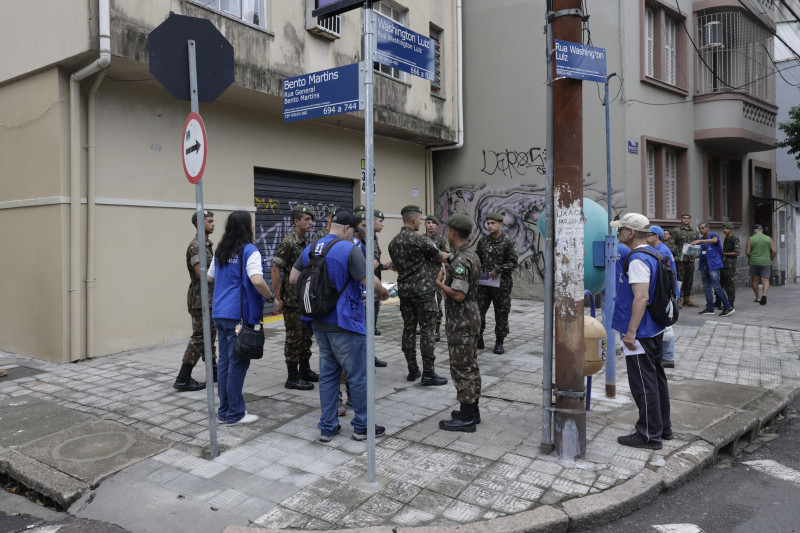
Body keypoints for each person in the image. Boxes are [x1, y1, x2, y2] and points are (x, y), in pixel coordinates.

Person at [290, 210, 390, 442]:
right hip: (345, 323)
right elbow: (370, 281)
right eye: (354, 231)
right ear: (346, 228)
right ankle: (362, 426)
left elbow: (293, 278)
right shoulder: (349, 249)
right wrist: (384, 293)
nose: (353, 236)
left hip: (318, 322)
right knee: (357, 375)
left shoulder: (311, 248)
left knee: (328, 376)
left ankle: (327, 426)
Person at [611, 213, 672, 450]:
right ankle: (663, 428)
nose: (618, 234)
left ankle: (648, 434)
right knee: (657, 380)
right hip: (654, 328)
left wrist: (631, 332)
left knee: (643, 384)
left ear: (631, 232)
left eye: (621, 230)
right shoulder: (655, 252)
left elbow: (642, 296)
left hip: (641, 332)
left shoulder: (637, 258)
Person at [207, 211, 274, 425]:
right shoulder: (249, 251)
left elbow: (209, 277)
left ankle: (224, 411)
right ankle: (235, 413)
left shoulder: (221, 250)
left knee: (226, 362)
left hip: (220, 313)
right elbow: (257, 280)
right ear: (248, 227)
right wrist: (271, 296)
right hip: (239, 316)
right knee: (237, 363)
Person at [388, 205, 450, 385]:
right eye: (421, 220)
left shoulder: (393, 242)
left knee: (408, 329)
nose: (422, 223)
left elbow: (396, 266)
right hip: (424, 293)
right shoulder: (419, 239)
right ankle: (429, 373)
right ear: (414, 219)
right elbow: (441, 256)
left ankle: (412, 369)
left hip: (405, 292)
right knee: (427, 331)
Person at [435, 214, 482, 432]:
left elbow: (458, 294)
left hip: (461, 321)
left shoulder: (461, 260)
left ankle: (466, 418)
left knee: (462, 368)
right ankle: (472, 411)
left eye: (448, 230)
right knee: (470, 365)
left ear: (453, 232)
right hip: (468, 318)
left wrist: (440, 284)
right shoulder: (469, 254)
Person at [272, 205, 318, 391]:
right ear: (296, 221)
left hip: (305, 298)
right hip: (291, 300)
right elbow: (276, 269)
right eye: (306, 219)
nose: (310, 223)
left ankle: (305, 370)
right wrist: (277, 297)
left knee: (306, 335)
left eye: (311, 219)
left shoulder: (306, 242)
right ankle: (292, 376)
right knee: (294, 338)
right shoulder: (289, 243)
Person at [174, 210, 218, 392]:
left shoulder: (206, 244)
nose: (213, 224)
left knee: (210, 335)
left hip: (208, 299)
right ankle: (183, 378)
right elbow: (201, 274)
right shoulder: (196, 245)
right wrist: (221, 277)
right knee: (200, 338)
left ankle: (214, 372)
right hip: (200, 300)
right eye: (210, 221)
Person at [475, 213, 519, 354]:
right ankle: (479, 338)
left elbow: (513, 262)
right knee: (478, 311)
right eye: (488, 223)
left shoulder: (508, 242)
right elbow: (477, 259)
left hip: (501, 285)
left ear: (501, 224)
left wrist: (499, 269)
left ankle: (499, 341)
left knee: (501, 313)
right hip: (483, 284)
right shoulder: (483, 242)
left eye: (493, 223)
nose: (489, 226)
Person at [354, 211, 387, 367]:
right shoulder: (356, 243)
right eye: (363, 225)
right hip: (362, 290)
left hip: (370, 289)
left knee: (370, 326)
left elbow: (373, 263)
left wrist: (380, 265)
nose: (365, 228)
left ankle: (369, 355)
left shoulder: (370, 239)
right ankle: (363, 359)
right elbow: (368, 264)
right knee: (362, 327)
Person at [646, 226, 679, 369]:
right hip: (666, 292)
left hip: (666, 293)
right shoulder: (658, 249)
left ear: (656, 237)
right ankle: (664, 355)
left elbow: (667, 275)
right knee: (663, 323)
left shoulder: (662, 251)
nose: (647, 237)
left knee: (666, 324)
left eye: (649, 234)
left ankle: (669, 357)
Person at [692, 222, 734, 317]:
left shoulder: (713, 235)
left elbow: (714, 241)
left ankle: (728, 307)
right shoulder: (702, 240)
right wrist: (695, 255)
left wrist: (700, 241)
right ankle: (710, 308)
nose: (701, 230)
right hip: (703, 266)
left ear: (708, 228)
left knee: (717, 287)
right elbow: (701, 253)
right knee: (707, 288)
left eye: (703, 228)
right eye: (699, 229)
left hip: (713, 266)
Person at [425, 215, 451, 342]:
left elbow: (446, 256)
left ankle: (436, 328)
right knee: (423, 302)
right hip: (423, 276)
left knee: (436, 302)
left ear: (437, 226)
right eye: (428, 222)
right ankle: (425, 326)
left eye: (433, 223)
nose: (430, 225)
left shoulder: (441, 240)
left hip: (436, 275)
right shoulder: (421, 239)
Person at [670, 213, 700, 307]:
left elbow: (698, 245)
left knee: (689, 279)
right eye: (684, 218)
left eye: (688, 218)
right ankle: (679, 299)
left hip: (690, 259)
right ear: (681, 219)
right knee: (679, 279)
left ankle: (687, 299)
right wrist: (678, 252)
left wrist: (697, 254)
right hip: (680, 259)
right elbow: (672, 243)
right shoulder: (676, 230)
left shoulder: (694, 231)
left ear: (690, 220)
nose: (686, 220)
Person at [746, 224, 777, 305]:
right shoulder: (768, 238)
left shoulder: (751, 239)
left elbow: (747, 252)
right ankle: (764, 295)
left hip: (754, 262)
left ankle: (758, 297)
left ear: (754, 231)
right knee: (765, 280)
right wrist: (771, 259)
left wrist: (751, 257)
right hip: (766, 262)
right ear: (762, 231)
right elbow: (774, 251)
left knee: (755, 280)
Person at [718, 222, 740, 309]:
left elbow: (737, 252)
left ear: (731, 229)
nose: (724, 230)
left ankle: (730, 304)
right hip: (723, 264)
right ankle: (720, 302)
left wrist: (724, 253)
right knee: (721, 284)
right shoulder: (726, 238)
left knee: (729, 285)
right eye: (723, 228)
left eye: (726, 228)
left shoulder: (734, 239)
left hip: (730, 265)